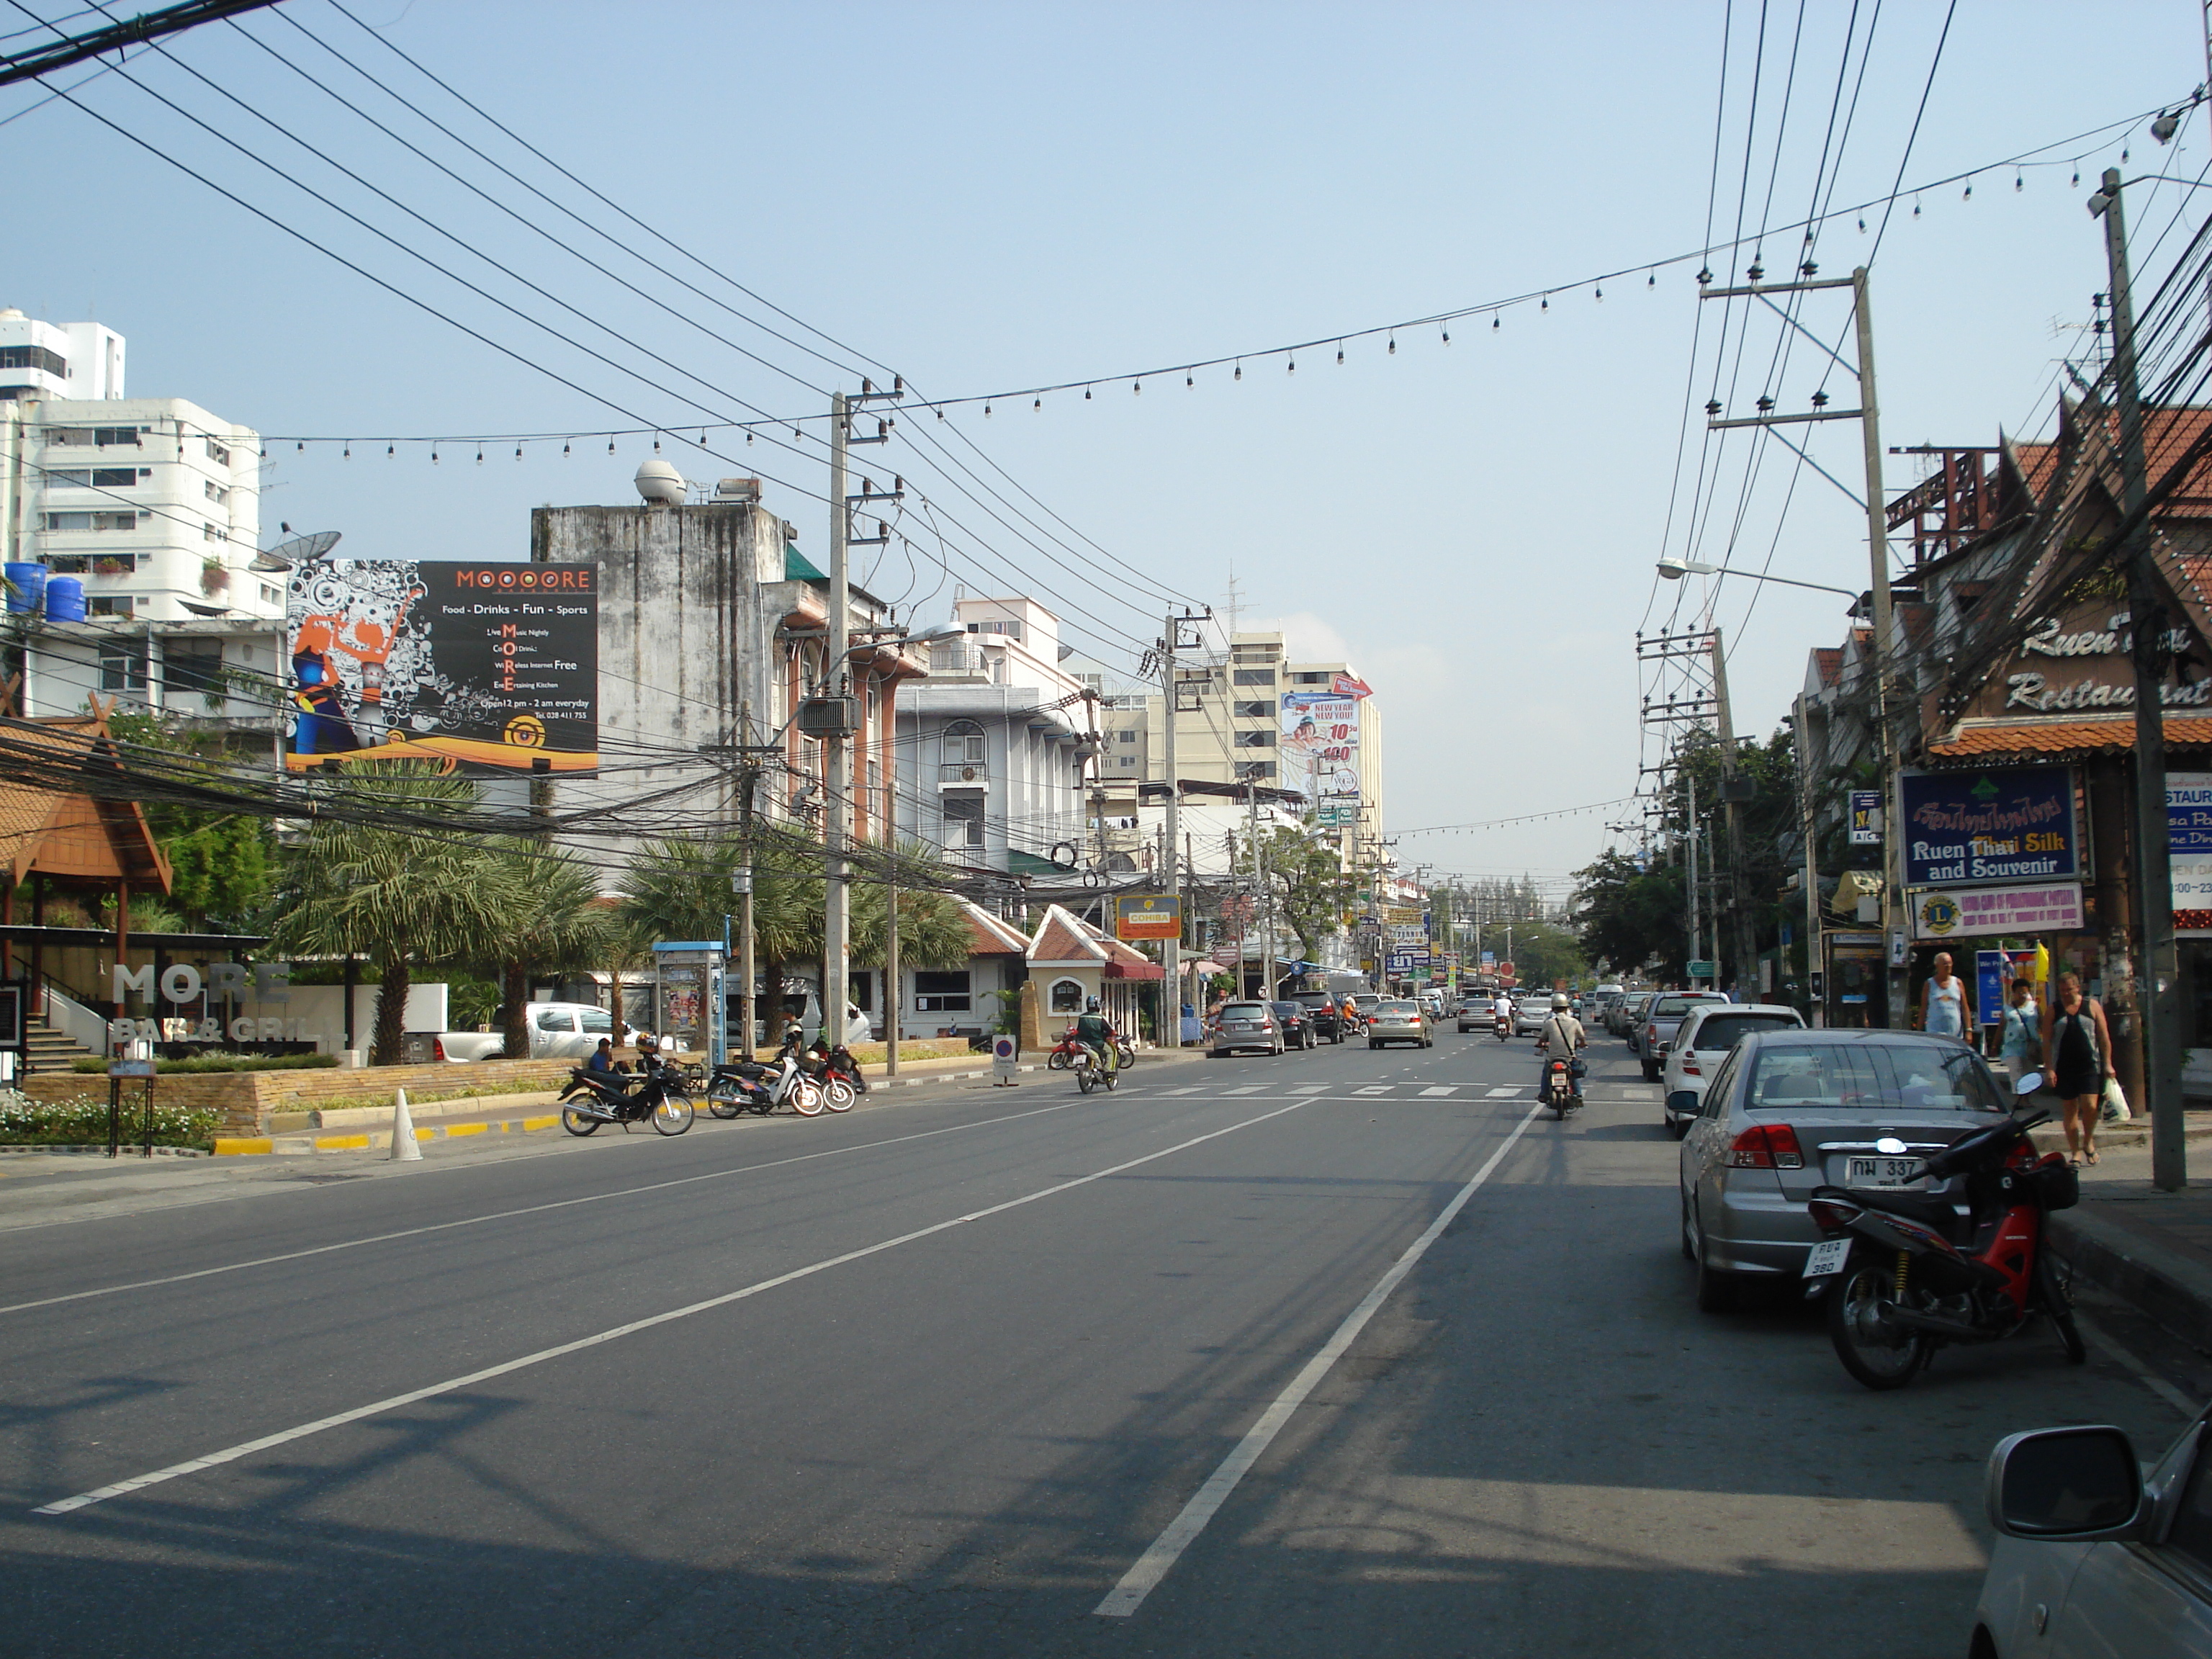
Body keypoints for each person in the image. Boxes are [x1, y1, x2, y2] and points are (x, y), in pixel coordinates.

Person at [2042, 972, 2114, 1166]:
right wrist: (2049, 1069)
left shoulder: (2091, 1006)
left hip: (2089, 1064)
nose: (2066, 993)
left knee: (2090, 1106)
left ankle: (2088, 1141)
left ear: (2077, 988)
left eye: (2069, 990)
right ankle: (2075, 1152)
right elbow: (2047, 1041)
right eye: (2062, 990)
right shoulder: (2054, 1009)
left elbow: (2103, 1036)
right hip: (2064, 1066)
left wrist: (2108, 1063)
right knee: (2070, 1110)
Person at [1534, 992, 1586, 1092]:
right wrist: (1582, 1044)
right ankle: (1578, 1094)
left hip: (1552, 1057)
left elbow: (1542, 1039)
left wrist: (1540, 1045)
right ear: (1567, 1008)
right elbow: (1582, 1038)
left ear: (1553, 1009)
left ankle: (1544, 1093)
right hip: (1569, 1056)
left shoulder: (1549, 1023)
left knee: (1546, 1073)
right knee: (1574, 1074)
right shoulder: (1574, 1022)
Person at [1998, 978, 2041, 1092]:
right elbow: (2001, 1027)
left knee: (2029, 1074)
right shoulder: (2007, 1009)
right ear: (2014, 993)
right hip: (2012, 1046)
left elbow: (2042, 1024)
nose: (2022, 995)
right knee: (2016, 1072)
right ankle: (2019, 1098)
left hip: (2030, 1046)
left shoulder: (2034, 1007)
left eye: (2025, 992)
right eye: (2019, 992)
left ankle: (2026, 1098)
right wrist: (1995, 1045)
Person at [1922, 951, 1966, 1039]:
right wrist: (1919, 1030)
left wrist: (1969, 1030)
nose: (1948, 966)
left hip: (1954, 1031)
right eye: (1945, 964)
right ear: (1937, 965)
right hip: (1934, 1031)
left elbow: (1965, 1008)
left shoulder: (1958, 983)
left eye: (1950, 963)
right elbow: (1924, 1008)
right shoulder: (1929, 984)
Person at [1074, 997, 1118, 1075]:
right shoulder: (1100, 1017)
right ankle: (1108, 1070)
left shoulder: (1082, 1017)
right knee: (1110, 1052)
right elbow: (1110, 1030)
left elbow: (1079, 1029)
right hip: (1097, 1043)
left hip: (1083, 1042)